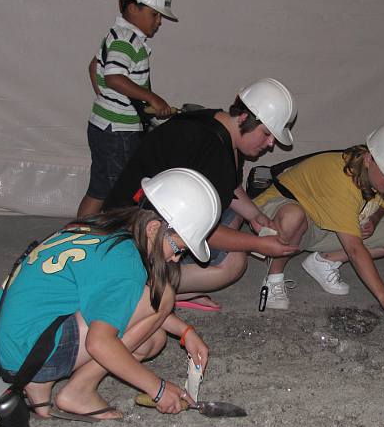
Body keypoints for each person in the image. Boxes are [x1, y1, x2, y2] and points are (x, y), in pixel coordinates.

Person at [0, 168, 220, 420]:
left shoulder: (103, 228)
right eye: (178, 248)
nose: (176, 258)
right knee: (162, 297)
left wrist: (186, 331)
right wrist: (158, 389)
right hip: (34, 351)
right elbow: (99, 343)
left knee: (154, 339)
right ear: (154, 228)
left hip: (17, 347)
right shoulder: (126, 264)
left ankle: (37, 382)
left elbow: (126, 304)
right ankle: (79, 391)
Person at [104, 78, 300, 310]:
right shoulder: (208, 148)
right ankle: (149, 290)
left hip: (133, 220)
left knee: (234, 216)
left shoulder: (215, 123)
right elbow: (205, 232)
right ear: (246, 118)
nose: (270, 144)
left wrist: (254, 215)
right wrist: (258, 244)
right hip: (130, 238)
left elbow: (229, 186)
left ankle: (170, 283)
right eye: (267, 134)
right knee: (234, 264)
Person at [253, 122, 384, 325]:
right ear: (368, 159)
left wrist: (374, 218)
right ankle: (273, 278)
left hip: (325, 223)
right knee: (293, 216)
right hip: (277, 214)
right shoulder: (343, 179)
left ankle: (324, 261)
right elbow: (355, 250)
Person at [77, 0, 177, 218]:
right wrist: (152, 98)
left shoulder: (117, 35)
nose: (159, 22)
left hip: (110, 126)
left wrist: (107, 100)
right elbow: (113, 77)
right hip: (116, 133)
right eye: (155, 14)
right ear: (133, 8)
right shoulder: (126, 40)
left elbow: (94, 66)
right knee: (113, 192)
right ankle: (86, 236)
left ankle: (78, 234)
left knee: (101, 189)